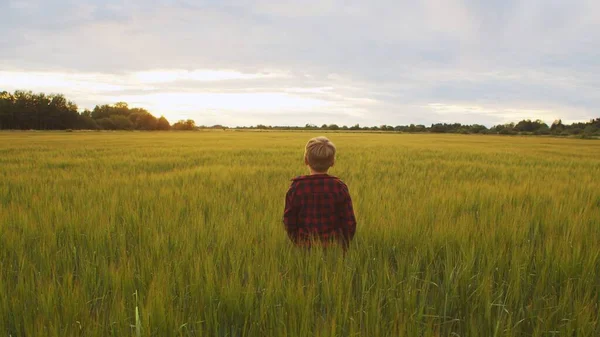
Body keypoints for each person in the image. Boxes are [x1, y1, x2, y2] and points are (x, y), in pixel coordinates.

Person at [283, 136, 357, 251]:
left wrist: (298, 242)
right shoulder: (339, 187)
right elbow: (349, 222)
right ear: (333, 162)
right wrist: (343, 246)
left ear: (306, 160)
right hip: (334, 247)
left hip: (304, 247)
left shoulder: (296, 188)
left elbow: (289, 220)